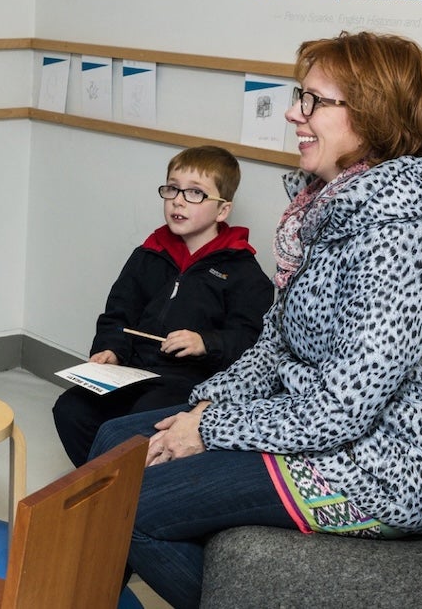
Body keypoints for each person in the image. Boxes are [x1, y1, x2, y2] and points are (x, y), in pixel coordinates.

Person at [87, 31, 422, 609]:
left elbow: (341, 411)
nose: (294, 113)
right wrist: (205, 405)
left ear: (370, 115)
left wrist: (210, 430)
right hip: (320, 429)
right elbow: (277, 344)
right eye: (301, 97)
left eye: (314, 101)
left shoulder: (401, 242)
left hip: (374, 470)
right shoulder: (331, 211)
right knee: (114, 439)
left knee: (128, 504)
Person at [52, 145, 273, 466]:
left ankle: (129, 493)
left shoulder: (244, 273)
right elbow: (118, 314)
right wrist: (110, 349)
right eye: (172, 188)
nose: (178, 200)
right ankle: (106, 485)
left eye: (195, 193)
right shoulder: (148, 255)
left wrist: (205, 343)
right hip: (132, 372)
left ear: (223, 210)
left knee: (140, 422)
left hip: (189, 383)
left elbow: (252, 343)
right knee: (71, 409)